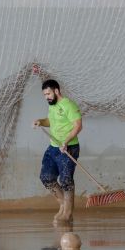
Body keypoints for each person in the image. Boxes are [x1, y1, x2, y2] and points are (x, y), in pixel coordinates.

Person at [33, 79, 83, 224]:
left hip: (68, 148)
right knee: (46, 177)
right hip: (53, 147)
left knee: (66, 180)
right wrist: (41, 122)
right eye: (44, 95)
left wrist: (66, 142)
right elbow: (51, 121)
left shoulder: (68, 105)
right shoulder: (52, 106)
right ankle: (63, 203)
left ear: (56, 91)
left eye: (48, 93)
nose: (46, 97)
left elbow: (78, 126)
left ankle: (67, 213)